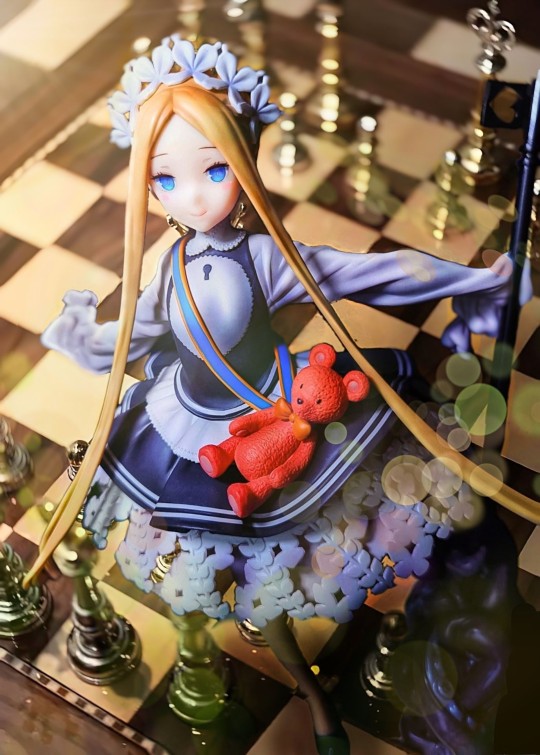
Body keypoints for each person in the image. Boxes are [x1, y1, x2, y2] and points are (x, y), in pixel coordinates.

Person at [24, 36, 537, 755]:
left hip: (278, 415)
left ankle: (322, 694)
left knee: (278, 568)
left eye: (213, 169)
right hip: (187, 428)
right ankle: (312, 693)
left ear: (244, 159)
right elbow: (137, 330)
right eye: (166, 177)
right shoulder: (170, 264)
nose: (192, 194)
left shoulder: (266, 257)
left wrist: (473, 280)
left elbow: (371, 273)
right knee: (236, 573)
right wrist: (83, 339)